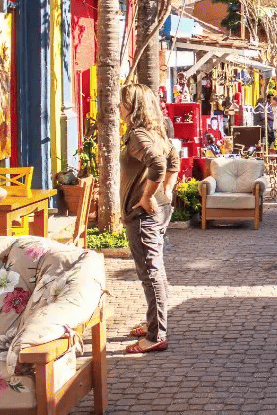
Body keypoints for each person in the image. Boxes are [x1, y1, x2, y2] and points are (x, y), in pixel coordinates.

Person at [119, 82, 180, 354]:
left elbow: (159, 164)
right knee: (153, 270)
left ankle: (156, 335)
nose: (118, 107)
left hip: (144, 214)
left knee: (150, 272)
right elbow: (173, 161)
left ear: (133, 107)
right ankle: (153, 322)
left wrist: (147, 195)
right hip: (158, 211)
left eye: (122, 103)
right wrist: (164, 190)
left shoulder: (139, 135)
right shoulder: (156, 132)